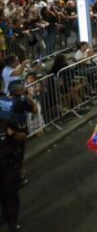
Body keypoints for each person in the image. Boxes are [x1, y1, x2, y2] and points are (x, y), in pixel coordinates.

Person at [0, 80, 37, 230]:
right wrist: (14, 133)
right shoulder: (11, 102)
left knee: (4, 186)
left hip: (8, 149)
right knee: (9, 187)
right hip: (9, 151)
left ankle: (7, 216)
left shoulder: (6, 102)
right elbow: (32, 110)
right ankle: (11, 220)